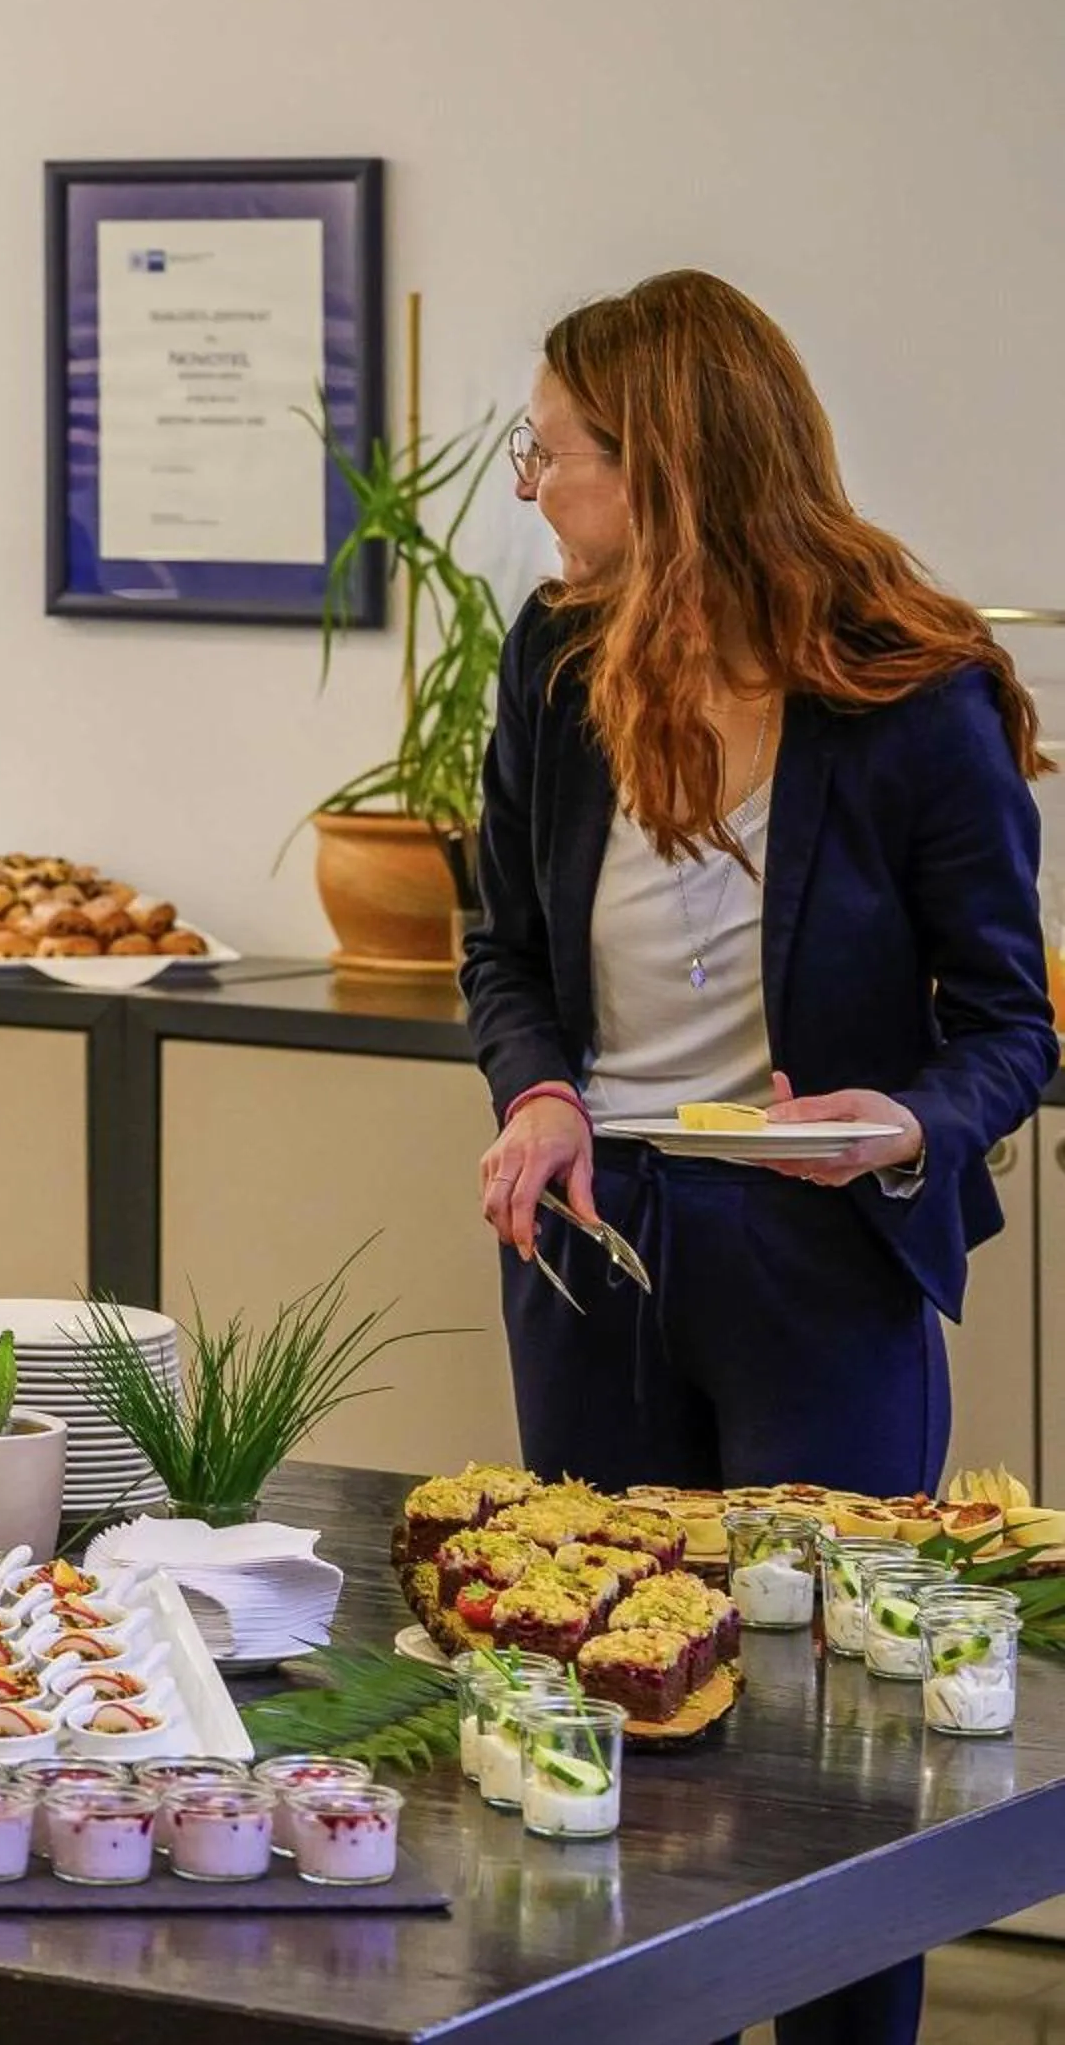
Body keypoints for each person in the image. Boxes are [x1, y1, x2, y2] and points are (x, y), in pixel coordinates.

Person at [464, 269, 1053, 2045]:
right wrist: (538, 1095)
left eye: (556, 451)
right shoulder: (556, 658)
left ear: (666, 467)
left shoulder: (911, 693)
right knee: (612, 1711)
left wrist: (897, 1131)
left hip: (822, 1264)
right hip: (595, 1249)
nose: (531, 486)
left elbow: (1012, 1032)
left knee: (837, 1762)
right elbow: (502, 952)